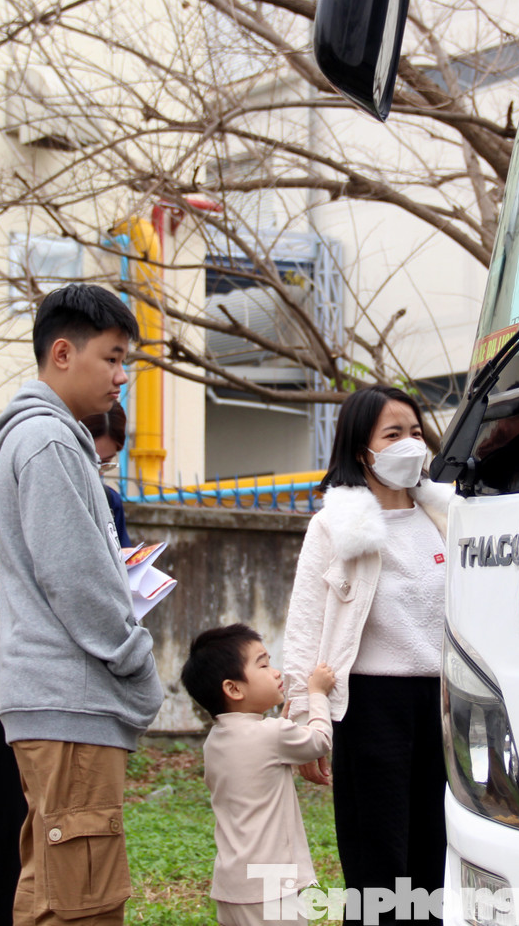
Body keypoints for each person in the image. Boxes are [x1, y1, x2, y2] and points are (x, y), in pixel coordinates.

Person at [0, 283, 163, 926]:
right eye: (111, 358)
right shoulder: (49, 442)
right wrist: (136, 662)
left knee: (54, 891)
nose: (121, 377)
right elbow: (77, 578)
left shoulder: (52, 440)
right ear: (63, 353)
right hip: (70, 700)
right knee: (82, 901)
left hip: (58, 700)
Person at [0, 405, 135, 926]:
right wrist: (19, 530)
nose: (93, 472)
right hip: (22, 649)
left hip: (85, 655)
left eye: (103, 464)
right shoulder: (8, 485)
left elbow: (117, 576)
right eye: (89, 459)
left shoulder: (106, 501)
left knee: (72, 811)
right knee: (7, 800)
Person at [281, 385, 454, 926]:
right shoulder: (336, 526)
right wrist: (301, 715)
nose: (410, 443)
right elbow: (305, 623)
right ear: (363, 451)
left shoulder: (447, 517)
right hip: (370, 707)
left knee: (436, 852)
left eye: (416, 431)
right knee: (378, 858)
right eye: (393, 434)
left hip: (442, 705)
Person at [180, 624, 336, 926]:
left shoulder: (215, 741)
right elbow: (319, 741)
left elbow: (261, 753)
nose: (276, 672)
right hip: (273, 886)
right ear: (234, 689)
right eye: (263, 665)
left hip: (231, 885)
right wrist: (318, 694)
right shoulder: (271, 735)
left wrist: (284, 723)